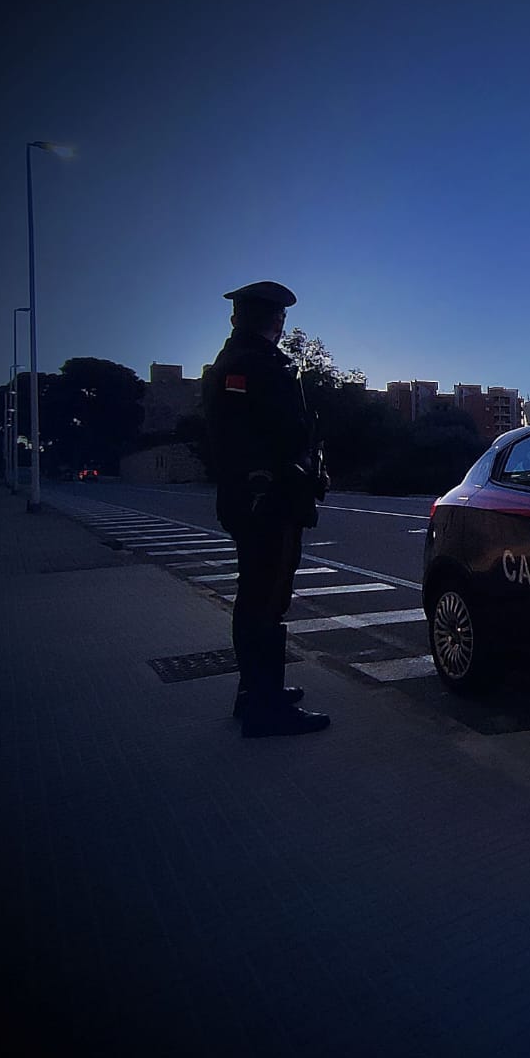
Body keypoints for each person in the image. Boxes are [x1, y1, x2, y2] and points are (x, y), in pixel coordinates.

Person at [202, 281, 331, 737]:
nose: (280, 324)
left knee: (259, 597)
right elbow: (265, 439)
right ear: (272, 320)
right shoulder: (251, 365)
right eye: (277, 316)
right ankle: (264, 706)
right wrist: (295, 474)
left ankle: (255, 692)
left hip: (257, 498)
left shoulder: (239, 361)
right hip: (266, 501)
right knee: (265, 602)